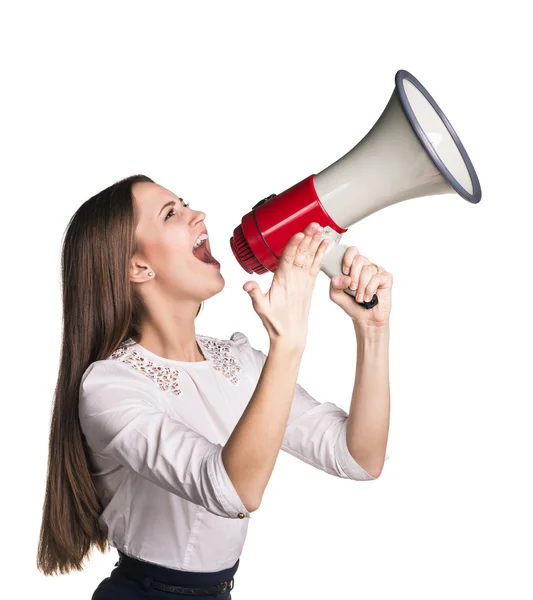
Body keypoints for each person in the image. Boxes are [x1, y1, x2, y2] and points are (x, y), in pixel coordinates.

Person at [36, 174, 392, 598]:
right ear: (137, 267)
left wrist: (372, 330)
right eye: (172, 213)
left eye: (185, 203)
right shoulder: (110, 388)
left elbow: (358, 457)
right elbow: (232, 490)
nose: (198, 213)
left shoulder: (237, 362)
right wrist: (288, 343)